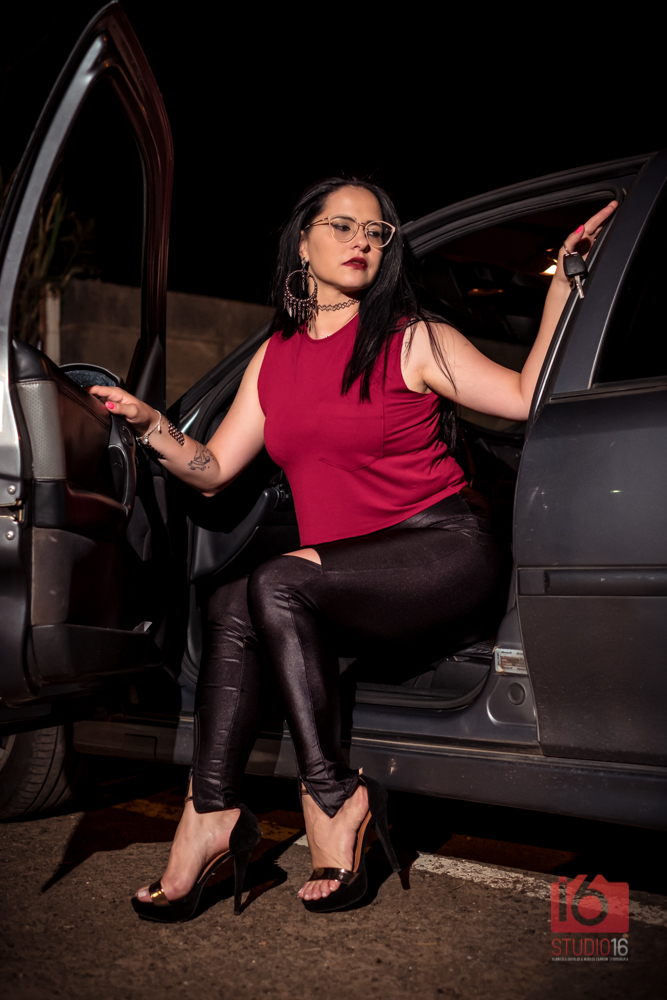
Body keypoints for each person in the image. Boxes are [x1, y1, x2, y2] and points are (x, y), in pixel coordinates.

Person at [88, 179, 616, 919]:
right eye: (343, 226)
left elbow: (525, 398)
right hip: (346, 576)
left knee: (273, 582)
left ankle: (334, 795)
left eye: (377, 231)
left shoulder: (414, 338)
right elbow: (211, 469)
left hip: (443, 552)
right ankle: (210, 814)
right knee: (231, 599)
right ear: (302, 242)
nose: (363, 240)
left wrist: (563, 284)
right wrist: (149, 425)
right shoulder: (274, 358)